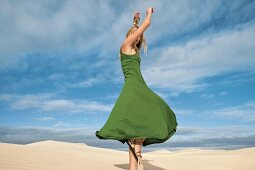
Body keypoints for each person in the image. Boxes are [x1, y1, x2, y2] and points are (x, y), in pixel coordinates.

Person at [95, 7, 178, 170]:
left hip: (140, 86)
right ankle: (138, 158)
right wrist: (148, 14)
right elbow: (146, 24)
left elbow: (138, 30)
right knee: (137, 126)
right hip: (133, 89)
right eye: (136, 34)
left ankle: (137, 160)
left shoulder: (134, 49)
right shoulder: (125, 46)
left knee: (136, 135)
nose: (139, 37)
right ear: (130, 35)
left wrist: (135, 21)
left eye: (140, 36)